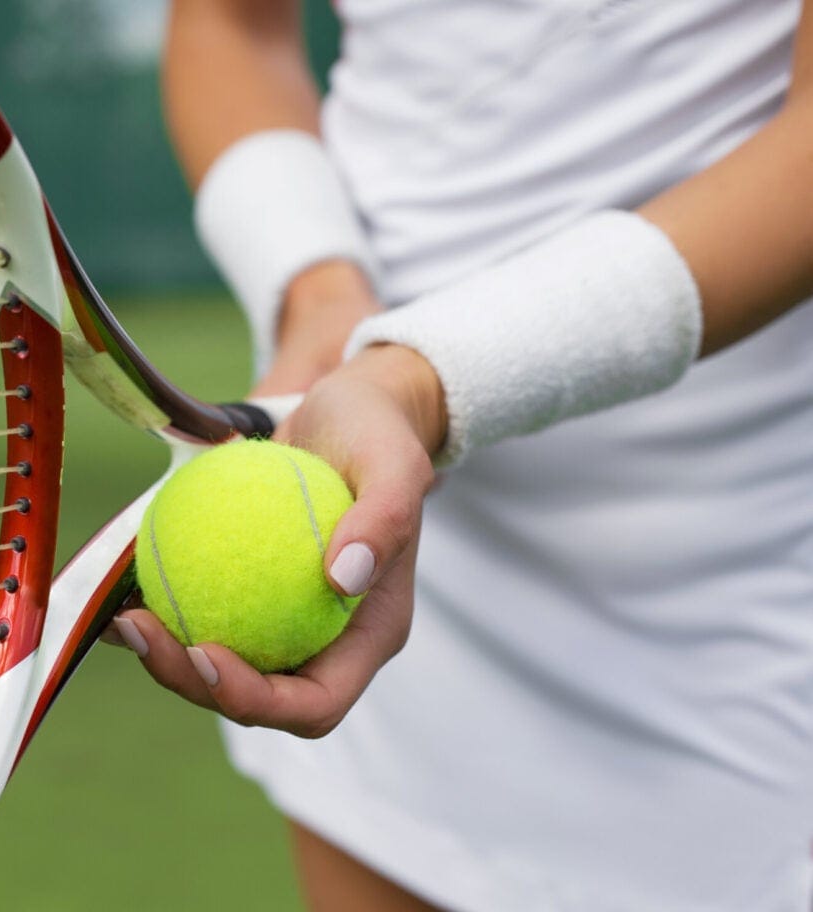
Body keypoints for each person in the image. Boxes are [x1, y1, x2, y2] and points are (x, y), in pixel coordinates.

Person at [103, 1, 813, 909]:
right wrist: (314, 285)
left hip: (725, 555)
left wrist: (422, 380)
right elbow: (231, 26)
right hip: (361, 517)